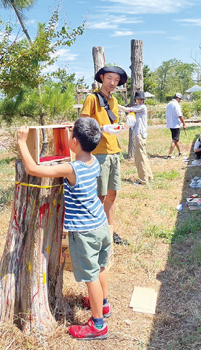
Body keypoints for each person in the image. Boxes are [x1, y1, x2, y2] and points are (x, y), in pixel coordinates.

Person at [17, 118, 111, 340]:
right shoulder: (94, 162)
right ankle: (103, 304)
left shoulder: (71, 169)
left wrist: (22, 141)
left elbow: (33, 168)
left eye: (71, 136)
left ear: (75, 141)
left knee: (91, 276)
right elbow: (79, 150)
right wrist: (75, 135)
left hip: (85, 232)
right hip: (101, 224)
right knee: (101, 267)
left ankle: (98, 324)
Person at [81, 65, 128, 245]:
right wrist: (101, 129)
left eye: (116, 80)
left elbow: (114, 125)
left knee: (112, 195)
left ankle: (110, 232)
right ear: (101, 77)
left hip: (113, 151)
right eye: (109, 78)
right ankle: (94, 234)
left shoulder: (114, 101)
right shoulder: (92, 98)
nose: (113, 83)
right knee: (98, 196)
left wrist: (124, 126)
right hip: (98, 152)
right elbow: (83, 125)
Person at [118, 91, 153, 185]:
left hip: (140, 135)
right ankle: (148, 177)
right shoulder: (136, 107)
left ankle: (143, 180)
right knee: (143, 156)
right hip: (139, 134)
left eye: (142, 99)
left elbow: (126, 109)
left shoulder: (142, 107)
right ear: (135, 99)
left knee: (139, 157)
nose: (140, 101)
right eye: (139, 99)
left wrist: (116, 104)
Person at [165, 93, 187, 159]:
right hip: (175, 124)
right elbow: (179, 115)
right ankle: (170, 155)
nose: (180, 100)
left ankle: (180, 152)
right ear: (177, 98)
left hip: (170, 124)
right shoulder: (176, 105)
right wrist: (184, 123)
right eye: (180, 99)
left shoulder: (168, 104)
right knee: (174, 140)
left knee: (176, 139)